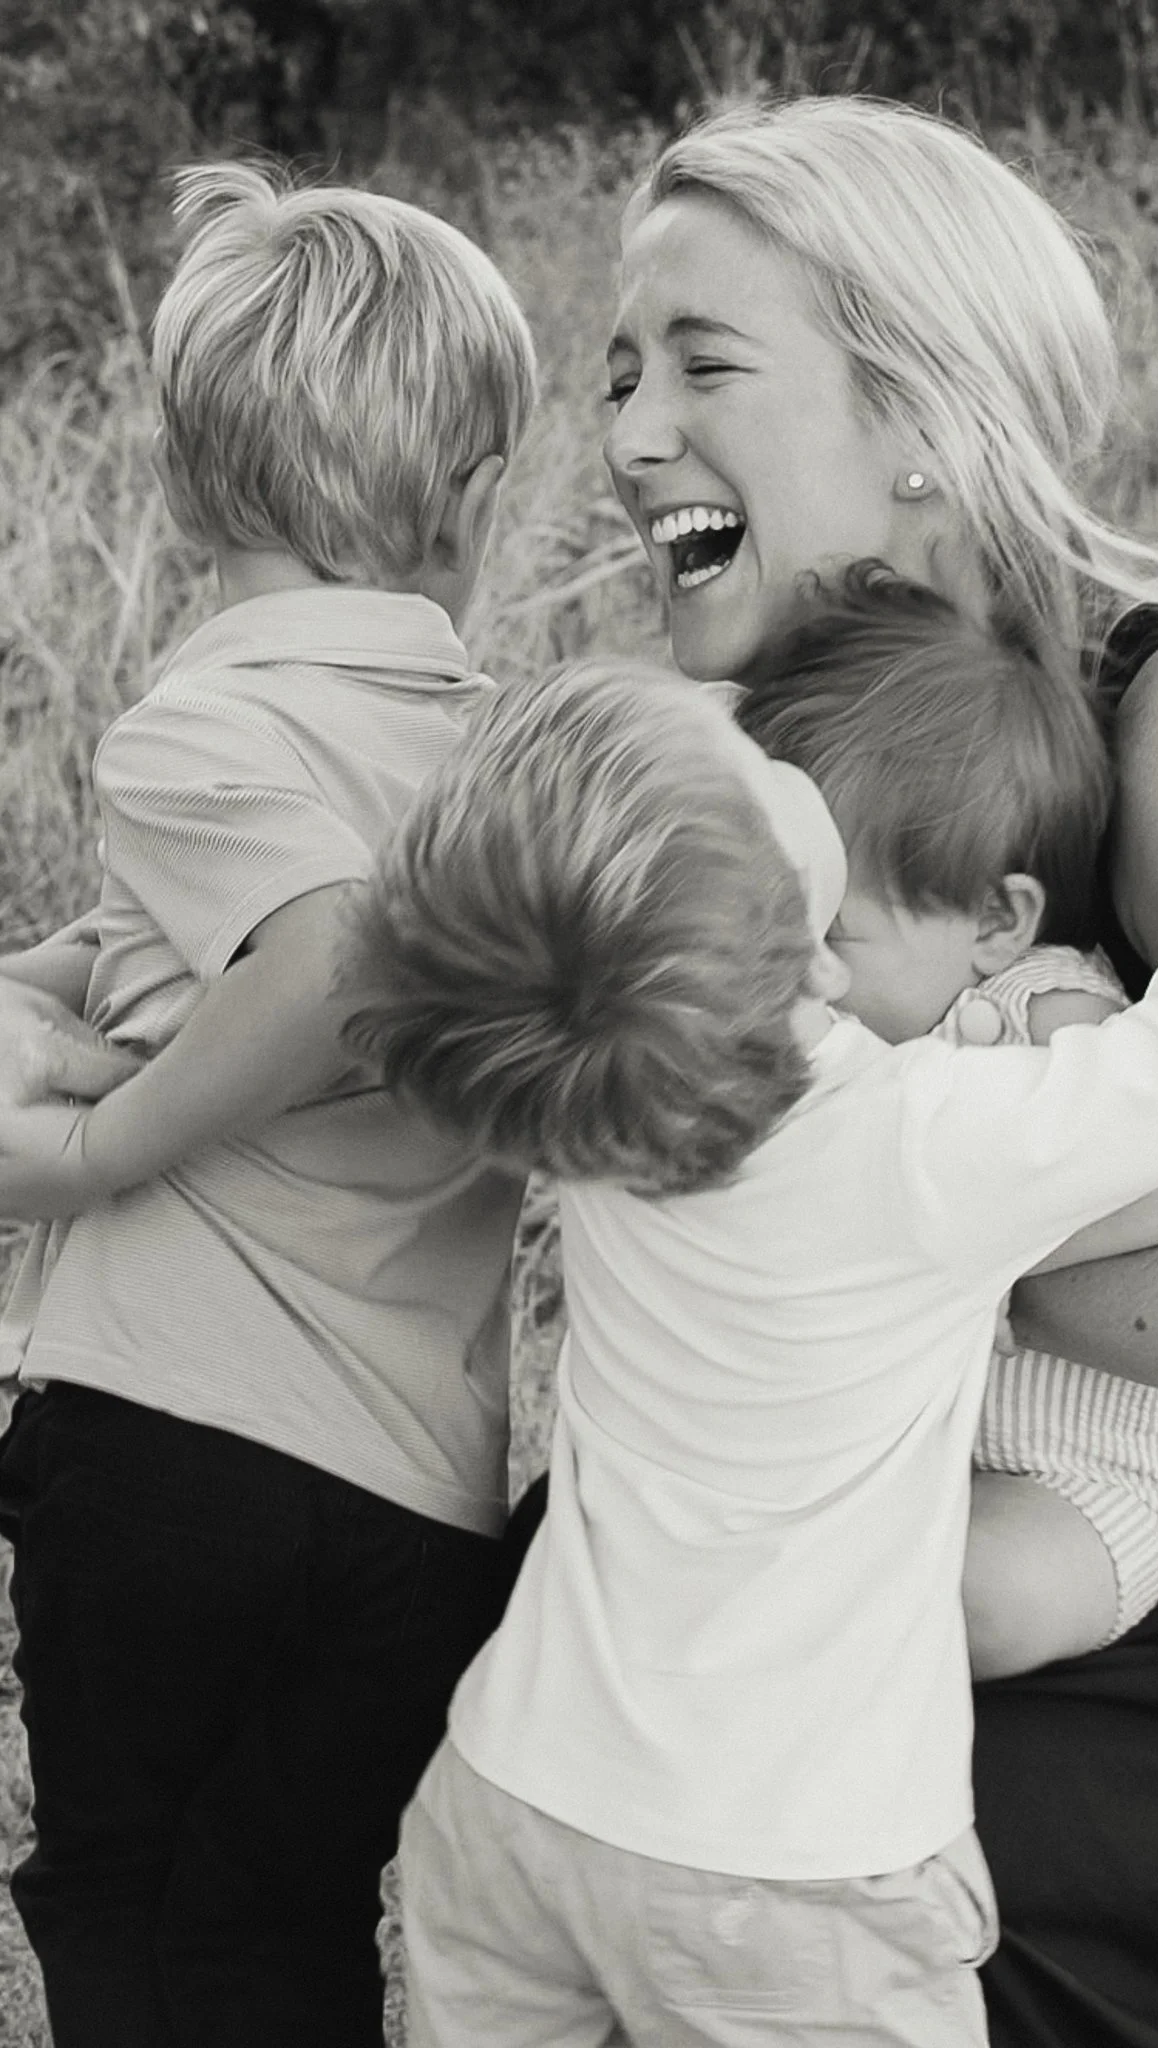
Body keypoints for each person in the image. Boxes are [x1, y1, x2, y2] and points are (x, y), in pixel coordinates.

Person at [586, 95, 1158, 2045]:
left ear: (922, 411)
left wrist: (870, 1214)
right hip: (948, 1469)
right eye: (619, 370)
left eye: (705, 364)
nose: (624, 438)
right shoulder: (773, 732)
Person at [347, 649, 1158, 2048]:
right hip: (781, 1872)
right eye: (756, 770)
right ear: (779, 914)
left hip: (509, 1811)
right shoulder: (912, 1149)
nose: (745, 723)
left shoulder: (597, 1128)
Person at [0, 162, 537, 2048]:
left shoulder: (195, 726)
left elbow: (315, 952)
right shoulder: (505, 758)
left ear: (177, 480)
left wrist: (86, 1147)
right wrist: (89, 963)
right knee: (289, 1925)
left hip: (176, 1445)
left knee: (120, 1903)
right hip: (417, 1504)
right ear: (472, 503)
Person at [738, 563, 1158, 1677]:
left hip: (1080, 1481)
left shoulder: (1043, 1011)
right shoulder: (831, 1037)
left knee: (974, 1596)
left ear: (996, 920)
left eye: (830, 930)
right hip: (911, 1462)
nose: (792, 973)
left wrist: (958, 1235)